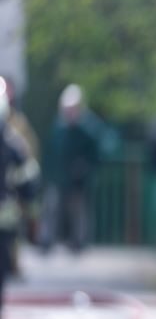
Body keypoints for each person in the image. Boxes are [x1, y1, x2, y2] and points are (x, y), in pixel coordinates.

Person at [0, 79, 39, 319]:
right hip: (5, 223)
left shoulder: (16, 146)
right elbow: (30, 184)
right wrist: (33, 217)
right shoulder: (14, 146)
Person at [43, 84, 102, 252]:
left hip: (77, 180)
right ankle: (47, 239)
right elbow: (50, 153)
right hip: (58, 177)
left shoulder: (87, 129)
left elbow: (95, 154)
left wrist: (84, 167)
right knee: (52, 207)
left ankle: (79, 241)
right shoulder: (59, 128)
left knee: (78, 210)